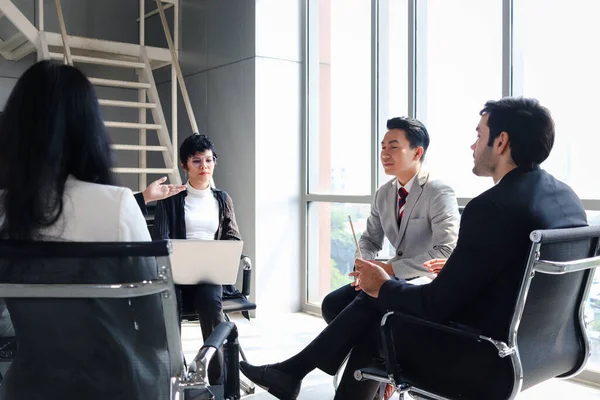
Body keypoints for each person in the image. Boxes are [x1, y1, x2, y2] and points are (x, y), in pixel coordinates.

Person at [240, 97, 588, 400]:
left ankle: (291, 373)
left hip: (484, 356)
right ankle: (292, 374)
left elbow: (434, 305)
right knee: (375, 310)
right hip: (545, 351)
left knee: (375, 311)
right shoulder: (567, 199)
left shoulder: (492, 208)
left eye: (479, 135)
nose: (473, 146)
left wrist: (383, 284)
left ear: (501, 142)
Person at [0, 61, 158, 398]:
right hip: (116, 386)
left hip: (29, 387)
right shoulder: (116, 204)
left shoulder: (5, 210)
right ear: (89, 129)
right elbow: (155, 321)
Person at [322, 116, 460, 322]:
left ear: (417, 152)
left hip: (424, 280)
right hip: (391, 277)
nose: (385, 153)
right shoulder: (384, 193)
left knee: (362, 309)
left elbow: (446, 251)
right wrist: (365, 262)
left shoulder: (438, 192)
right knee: (332, 305)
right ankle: (372, 353)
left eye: (393, 147)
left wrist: (389, 269)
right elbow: (370, 239)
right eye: (383, 147)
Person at [152, 133, 242, 386]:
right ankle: (172, 375)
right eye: (196, 161)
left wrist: (224, 254)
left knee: (210, 301)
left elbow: (233, 238)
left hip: (209, 273)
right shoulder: (170, 199)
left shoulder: (223, 199)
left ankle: (216, 381)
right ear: (184, 165)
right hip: (176, 274)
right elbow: (161, 241)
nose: (204, 167)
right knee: (169, 304)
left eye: (209, 160)